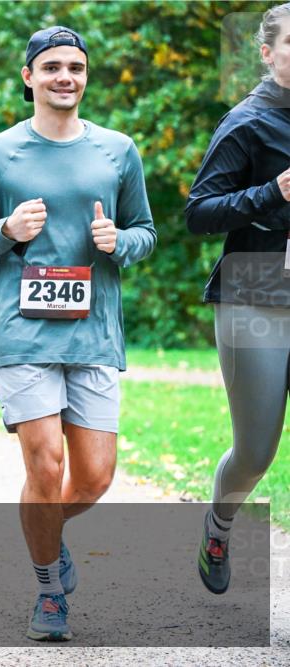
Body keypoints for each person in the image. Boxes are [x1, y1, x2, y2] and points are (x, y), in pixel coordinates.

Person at [0, 26, 156, 641]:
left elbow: (145, 230)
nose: (65, 77)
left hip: (93, 334)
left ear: (85, 77)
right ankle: (47, 589)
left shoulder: (118, 149)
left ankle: (46, 531)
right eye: (52, 67)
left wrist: (121, 242)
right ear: (29, 77)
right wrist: (6, 231)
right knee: (45, 463)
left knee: (94, 476)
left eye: (76, 67)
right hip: (23, 334)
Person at [186, 2, 290, 595]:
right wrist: (270, 191)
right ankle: (220, 522)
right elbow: (200, 212)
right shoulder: (247, 122)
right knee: (255, 450)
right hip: (255, 293)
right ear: (267, 51)